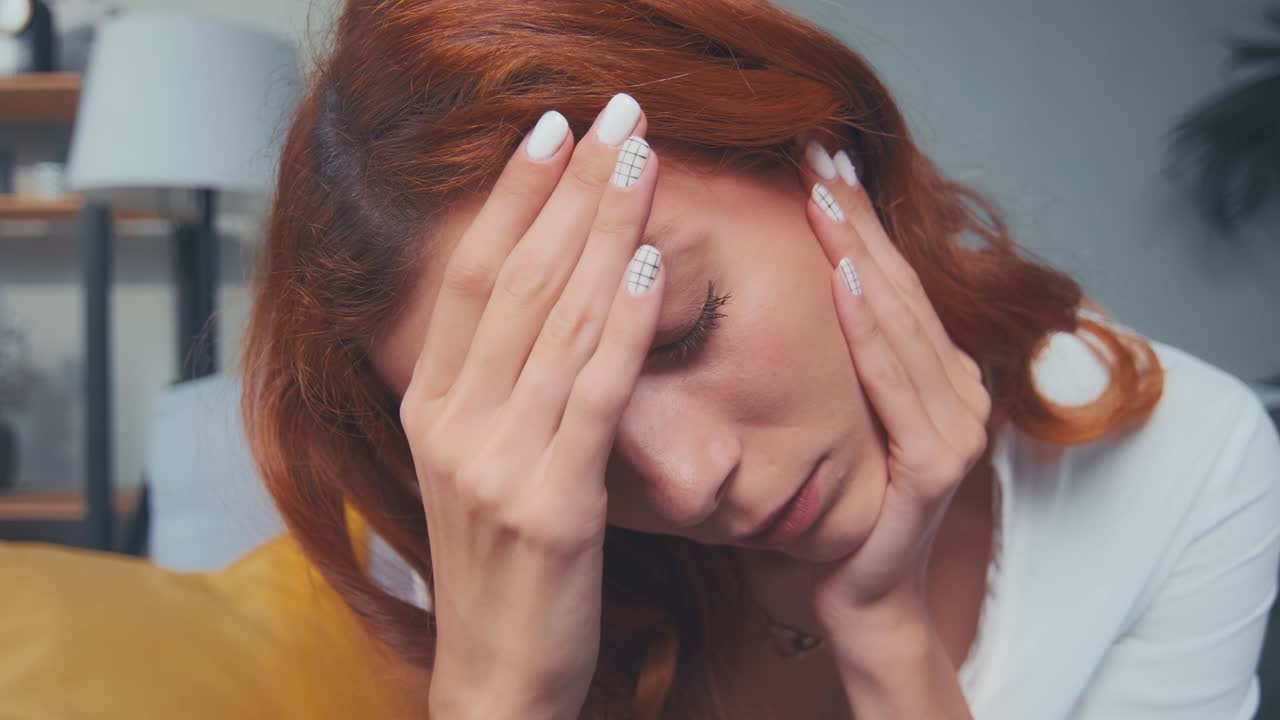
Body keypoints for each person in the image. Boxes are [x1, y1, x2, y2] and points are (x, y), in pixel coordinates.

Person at [241, 1, 1280, 717]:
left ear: (809, 144)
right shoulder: (481, 515)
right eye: (572, 432)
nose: (692, 484)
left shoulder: (1183, 467)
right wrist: (500, 699)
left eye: (681, 326)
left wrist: (884, 631)